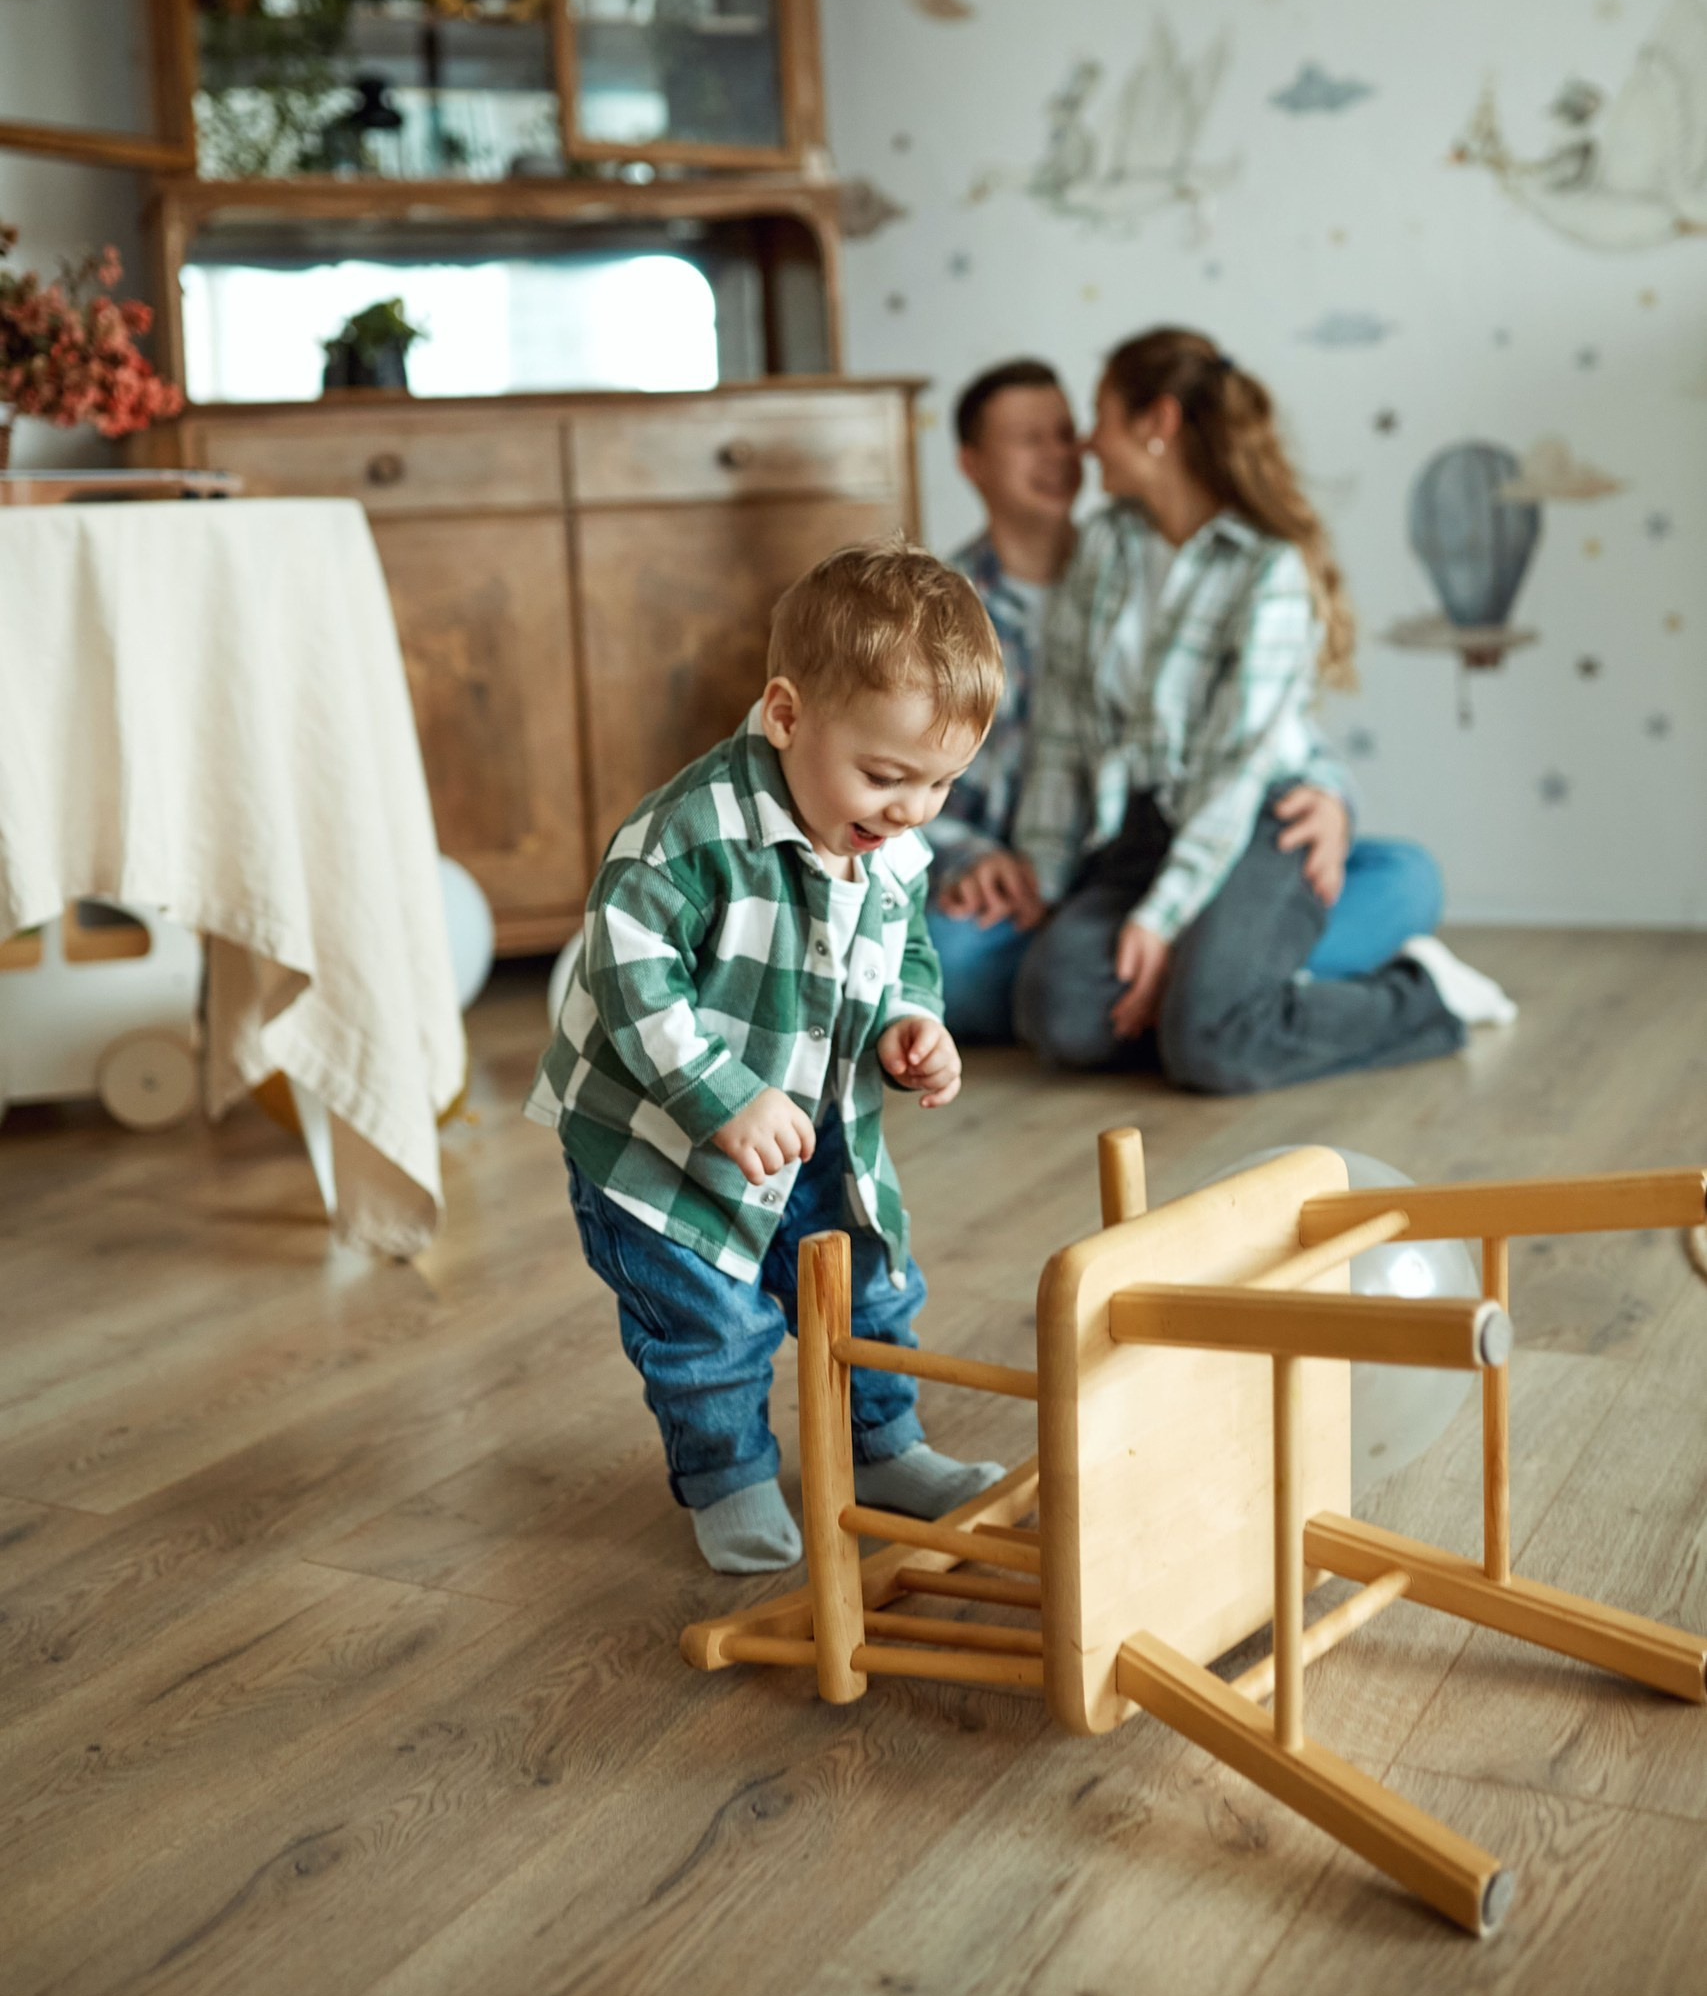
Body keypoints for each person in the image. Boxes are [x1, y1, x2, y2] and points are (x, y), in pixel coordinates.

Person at [526, 540, 1006, 1576]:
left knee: (868, 1288)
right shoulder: (685, 836)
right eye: (886, 777)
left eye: (942, 784)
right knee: (711, 1323)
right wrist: (723, 1098)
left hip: (814, 1116)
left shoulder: (886, 837)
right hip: (662, 1148)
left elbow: (906, 948)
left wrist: (909, 1021)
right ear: (786, 715)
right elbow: (628, 975)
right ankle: (729, 1475)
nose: (911, 811)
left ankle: (884, 1447)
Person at [1007, 328, 1515, 1088]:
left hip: (1251, 821)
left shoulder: (1266, 568)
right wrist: (1043, 883)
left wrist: (1161, 921)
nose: (1086, 442)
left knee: (1211, 1047)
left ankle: (1423, 995)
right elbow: (1062, 729)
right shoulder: (1104, 547)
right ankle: (1229, 994)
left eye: (1100, 416)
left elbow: (1235, 770)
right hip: (1141, 833)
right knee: (1057, 1013)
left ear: (1158, 422)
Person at [926, 356, 1446, 1043]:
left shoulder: (1144, 559)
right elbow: (889, 771)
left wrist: (1329, 793)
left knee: (1405, 878)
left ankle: (1201, 993)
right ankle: (1221, 994)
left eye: (1069, 432)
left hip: (1193, 837)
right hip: (1048, 881)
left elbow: (1256, 731)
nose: (1068, 452)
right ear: (971, 464)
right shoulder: (939, 607)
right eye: (1029, 440)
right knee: (952, 967)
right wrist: (968, 855)